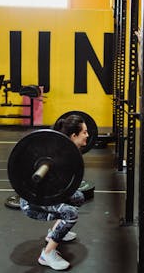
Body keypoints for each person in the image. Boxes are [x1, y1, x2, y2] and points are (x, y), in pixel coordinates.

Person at [20, 114, 89, 270]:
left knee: (78, 197)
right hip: (32, 201)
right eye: (84, 132)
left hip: (48, 193)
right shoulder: (57, 155)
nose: (88, 135)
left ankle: (56, 232)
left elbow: (64, 187)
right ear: (74, 136)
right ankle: (47, 254)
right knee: (70, 213)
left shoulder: (69, 152)